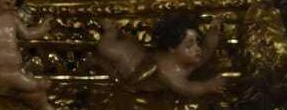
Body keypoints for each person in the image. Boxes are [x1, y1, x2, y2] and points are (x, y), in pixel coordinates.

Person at [95, 13, 226, 98]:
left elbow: (207, 49)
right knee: (110, 49)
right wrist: (207, 86)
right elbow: (188, 89)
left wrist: (213, 32)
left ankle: (114, 33)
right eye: (189, 45)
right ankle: (109, 30)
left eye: (197, 41)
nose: (197, 48)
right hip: (136, 69)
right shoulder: (169, 73)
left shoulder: (190, 58)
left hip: (148, 54)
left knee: (128, 43)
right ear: (172, 48)